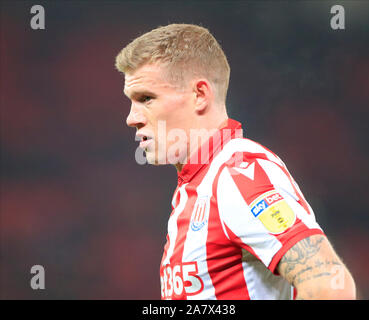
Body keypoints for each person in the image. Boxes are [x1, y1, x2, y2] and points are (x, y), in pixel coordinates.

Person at [115, 23, 356, 300]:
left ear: (199, 95)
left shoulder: (238, 173)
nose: (132, 118)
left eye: (146, 98)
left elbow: (330, 285)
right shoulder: (195, 186)